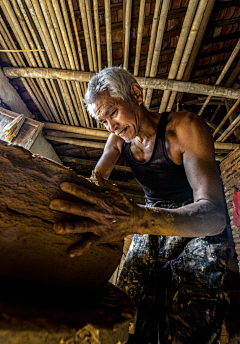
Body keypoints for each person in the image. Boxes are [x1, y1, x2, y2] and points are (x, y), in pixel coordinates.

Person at [50, 67, 230, 344]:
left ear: (135, 94)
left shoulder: (184, 128)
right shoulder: (117, 141)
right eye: (103, 121)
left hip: (193, 216)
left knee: (189, 320)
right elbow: (95, 182)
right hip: (150, 215)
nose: (111, 127)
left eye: (112, 112)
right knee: (129, 313)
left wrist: (137, 218)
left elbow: (214, 215)